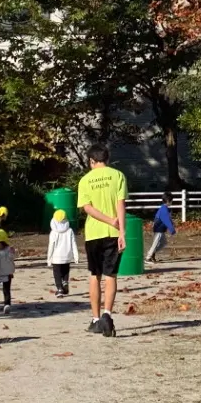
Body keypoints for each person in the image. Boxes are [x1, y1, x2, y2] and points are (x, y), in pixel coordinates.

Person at [77, 143, 129, 337]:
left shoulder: (85, 180)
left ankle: (96, 319)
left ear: (91, 160)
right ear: (107, 159)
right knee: (111, 275)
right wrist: (121, 230)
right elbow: (120, 204)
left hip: (93, 233)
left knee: (94, 275)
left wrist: (107, 220)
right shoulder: (118, 176)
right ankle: (107, 313)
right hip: (113, 234)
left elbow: (87, 208)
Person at [46, 207, 77, 295]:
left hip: (56, 257)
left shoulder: (53, 233)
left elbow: (51, 246)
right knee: (66, 270)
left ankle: (59, 289)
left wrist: (49, 259)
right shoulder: (70, 231)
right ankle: (65, 282)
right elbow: (73, 243)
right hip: (67, 256)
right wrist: (75, 256)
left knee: (57, 273)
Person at [147, 193, 176, 264]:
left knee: (163, 243)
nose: (172, 202)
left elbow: (168, 219)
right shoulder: (163, 209)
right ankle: (148, 258)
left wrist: (172, 224)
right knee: (156, 243)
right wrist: (172, 229)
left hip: (161, 229)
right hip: (158, 229)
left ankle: (152, 253)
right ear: (168, 201)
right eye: (172, 201)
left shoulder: (165, 209)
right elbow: (166, 220)